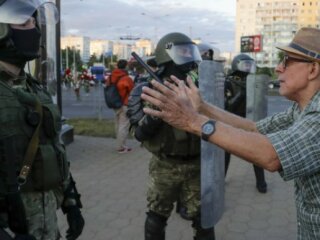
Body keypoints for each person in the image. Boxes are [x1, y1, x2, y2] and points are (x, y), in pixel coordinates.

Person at [140, 27, 320, 239]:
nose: (279, 68)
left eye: (287, 60)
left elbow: (272, 156)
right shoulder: (301, 108)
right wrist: (203, 108)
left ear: (313, 70)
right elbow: (255, 128)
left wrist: (192, 121)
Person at [0, 1, 84, 239]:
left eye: (36, 22)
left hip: (47, 222)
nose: (35, 30)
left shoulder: (36, 90)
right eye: (26, 22)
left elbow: (54, 149)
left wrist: (71, 202)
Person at [127, 32, 215, 240]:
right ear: (167, 56)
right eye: (182, 52)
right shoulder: (146, 90)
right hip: (165, 166)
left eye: (190, 51)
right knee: (157, 216)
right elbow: (138, 133)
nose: (189, 58)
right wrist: (161, 108)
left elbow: (219, 122)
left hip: (197, 165)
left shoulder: (200, 90)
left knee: (204, 220)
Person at [224, 53, 267, 193]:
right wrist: (241, 93)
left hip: (250, 122)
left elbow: (260, 103)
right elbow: (227, 107)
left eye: (250, 65)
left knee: (256, 152)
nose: (248, 67)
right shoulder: (229, 82)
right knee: (226, 152)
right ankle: (221, 178)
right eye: (245, 65)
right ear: (237, 65)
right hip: (232, 122)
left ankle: (261, 182)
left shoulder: (254, 81)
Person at [109, 59, 134, 153]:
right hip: (124, 104)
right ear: (126, 66)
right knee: (123, 125)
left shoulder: (111, 76)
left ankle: (121, 144)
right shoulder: (126, 78)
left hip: (114, 103)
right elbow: (132, 89)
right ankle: (121, 147)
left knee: (118, 124)